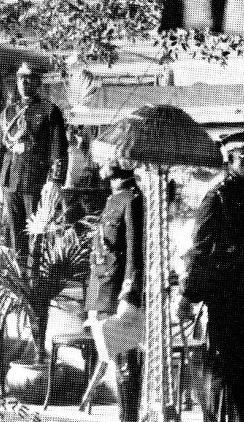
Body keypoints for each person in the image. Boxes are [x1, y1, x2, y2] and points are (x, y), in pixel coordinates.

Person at [179, 131, 244, 422]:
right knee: (222, 366)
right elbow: (199, 249)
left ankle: (236, 415)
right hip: (224, 295)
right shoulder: (216, 197)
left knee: (243, 366)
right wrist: (188, 295)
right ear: (229, 160)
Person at [85, 160, 144, 422]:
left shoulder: (132, 199)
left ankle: (128, 418)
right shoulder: (114, 198)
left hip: (117, 293)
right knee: (114, 361)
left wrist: (129, 295)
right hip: (103, 291)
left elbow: (134, 252)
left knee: (125, 362)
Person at [0, 63, 68, 259]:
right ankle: (19, 275)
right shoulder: (8, 112)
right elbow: (0, 151)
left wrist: (55, 181)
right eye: (21, 78)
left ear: (38, 82)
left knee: (37, 234)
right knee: (14, 235)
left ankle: (34, 276)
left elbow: (58, 148)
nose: (24, 82)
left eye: (29, 78)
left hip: (36, 181)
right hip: (10, 182)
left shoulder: (50, 111)